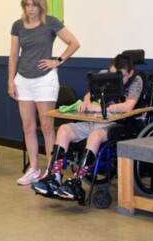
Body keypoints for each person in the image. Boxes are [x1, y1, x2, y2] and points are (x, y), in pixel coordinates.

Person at [32, 54, 143, 202]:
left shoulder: (136, 81)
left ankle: (77, 180)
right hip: (93, 120)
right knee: (63, 129)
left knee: (95, 135)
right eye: (112, 73)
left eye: (120, 76)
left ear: (130, 73)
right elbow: (88, 96)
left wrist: (101, 108)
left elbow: (129, 106)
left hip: (115, 124)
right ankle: (54, 176)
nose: (116, 79)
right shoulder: (104, 75)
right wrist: (85, 103)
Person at [9, 0, 80, 186]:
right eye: (27, 5)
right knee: (28, 127)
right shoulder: (17, 26)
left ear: (41, 5)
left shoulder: (50, 22)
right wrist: (10, 81)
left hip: (44, 80)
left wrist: (57, 60)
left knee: (47, 126)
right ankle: (33, 169)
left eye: (34, 5)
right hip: (23, 80)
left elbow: (73, 43)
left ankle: (52, 170)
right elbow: (14, 55)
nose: (30, 9)